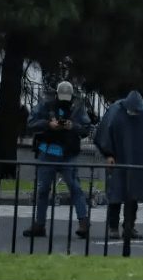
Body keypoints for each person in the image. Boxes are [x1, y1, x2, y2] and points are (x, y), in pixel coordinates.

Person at [93, 90, 143, 242]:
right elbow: (103, 133)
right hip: (119, 159)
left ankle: (128, 226)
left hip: (137, 160)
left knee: (133, 195)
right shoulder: (116, 111)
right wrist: (108, 154)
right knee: (115, 194)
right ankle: (113, 227)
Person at [23, 81, 92, 239]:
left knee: (75, 188)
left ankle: (83, 223)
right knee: (43, 190)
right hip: (49, 150)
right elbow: (31, 123)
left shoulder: (77, 107)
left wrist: (72, 126)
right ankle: (39, 225)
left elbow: (86, 128)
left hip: (67, 152)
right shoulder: (45, 105)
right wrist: (48, 125)